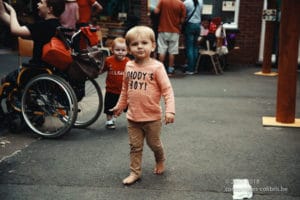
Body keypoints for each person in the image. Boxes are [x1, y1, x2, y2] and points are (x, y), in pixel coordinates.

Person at [111, 26, 175, 185]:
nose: (139, 46)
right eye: (134, 44)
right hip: (133, 117)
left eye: (144, 43)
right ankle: (135, 172)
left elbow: (167, 90)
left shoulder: (157, 67)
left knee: (154, 144)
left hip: (152, 117)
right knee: (135, 147)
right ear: (129, 49)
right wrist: (120, 105)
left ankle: (160, 159)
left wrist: (170, 111)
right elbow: (126, 89)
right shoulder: (129, 66)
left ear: (153, 46)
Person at [0, 0, 65, 82]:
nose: (37, 4)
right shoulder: (57, 26)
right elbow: (18, 26)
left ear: (49, 9)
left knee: (6, 80)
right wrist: (2, 13)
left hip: (36, 69)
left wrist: (12, 11)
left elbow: (15, 29)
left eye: (41, 2)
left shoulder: (42, 26)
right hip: (51, 70)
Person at [99, 37, 130, 129]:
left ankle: (132, 120)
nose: (120, 52)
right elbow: (103, 69)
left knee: (129, 107)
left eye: (123, 50)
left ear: (127, 51)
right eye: (117, 50)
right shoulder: (109, 60)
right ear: (112, 50)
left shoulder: (128, 62)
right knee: (109, 106)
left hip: (124, 91)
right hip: (111, 89)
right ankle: (109, 121)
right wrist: (97, 72)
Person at [154, 0, 186, 76]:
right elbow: (182, 20)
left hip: (163, 29)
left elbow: (156, 12)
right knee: (172, 51)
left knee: (162, 50)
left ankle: (160, 70)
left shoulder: (163, 1)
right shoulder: (181, 4)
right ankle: (170, 70)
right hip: (175, 30)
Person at [183, 0, 203, 75]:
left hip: (190, 25)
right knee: (195, 47)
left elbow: (183, 14)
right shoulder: (201, 1)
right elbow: (200, 13)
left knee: (190, 47)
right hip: (198, 25)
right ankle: (195, 68)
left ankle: (190, 69)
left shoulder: (186, 2)